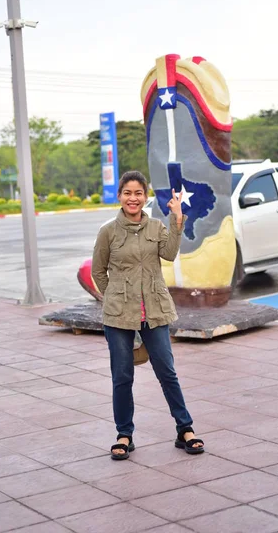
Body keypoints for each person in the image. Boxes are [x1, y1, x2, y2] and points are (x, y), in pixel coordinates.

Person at [92, 171, 204, 460]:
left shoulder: (155, 227)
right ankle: (124, 434)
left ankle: (185, 429)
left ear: (145, 196)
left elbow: (169, 253)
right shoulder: (108, 231)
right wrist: (116, 296)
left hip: (154, 310)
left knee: (167, 371)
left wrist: (176, 218)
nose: (133, 198)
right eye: (127, 193)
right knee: (122, 376)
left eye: (138, 193)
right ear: (120, 197)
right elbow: (98, 272)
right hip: (118, 316)